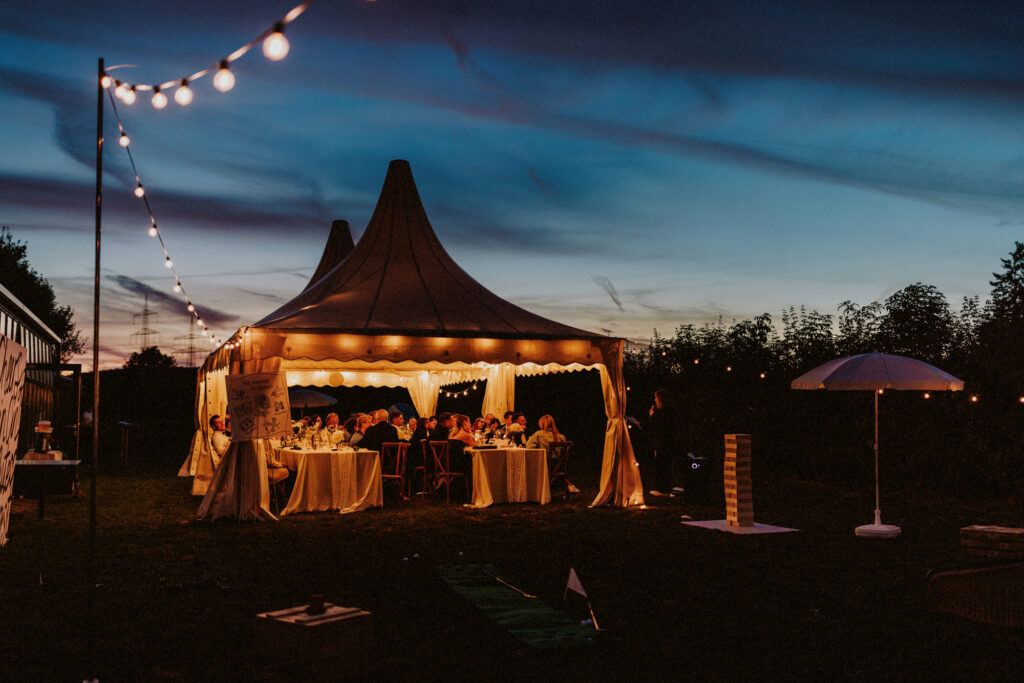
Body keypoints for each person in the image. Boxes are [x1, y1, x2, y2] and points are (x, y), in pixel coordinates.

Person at [647, 389, 681, 497]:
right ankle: (664, 488)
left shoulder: (663, 412)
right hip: (667, 442)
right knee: (664, 465)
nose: (655, 400)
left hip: (664, 443)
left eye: (656, 398)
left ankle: (662, 489)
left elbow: (657, 425)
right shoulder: (670, 411)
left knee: (662, 465)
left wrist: (652, 415)